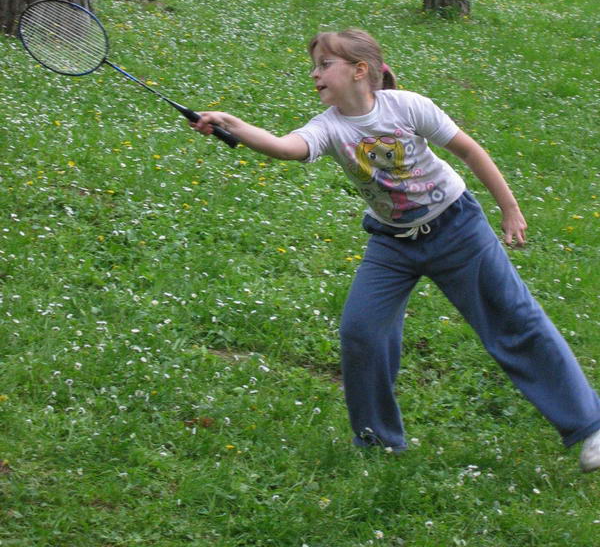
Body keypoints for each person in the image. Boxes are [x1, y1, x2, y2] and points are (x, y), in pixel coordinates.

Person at [191, 28, 600, 472]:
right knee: (361, 331)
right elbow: (285, 147)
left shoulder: (407, 106)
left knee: (514, 321)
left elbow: (469, 151)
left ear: (359, 70)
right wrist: (232, 124)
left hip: (457, 228)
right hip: (393, 242)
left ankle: (590, 425)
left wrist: (510, 209)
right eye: (314, 66)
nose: (315, 73)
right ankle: (378, 442)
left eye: (325, 64)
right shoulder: (328, 126)